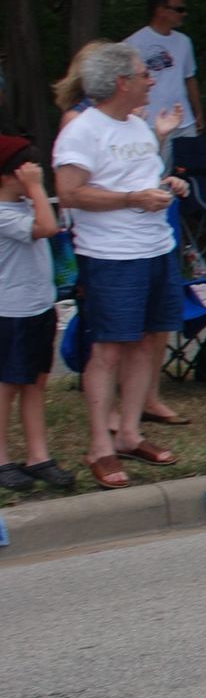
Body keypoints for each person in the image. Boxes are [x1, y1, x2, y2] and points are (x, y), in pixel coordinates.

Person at [51, 43, 192, 489]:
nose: (152, 80)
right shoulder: (82, 131)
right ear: (121, 82)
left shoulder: (136, 125)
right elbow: (70, 192)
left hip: (156, 248)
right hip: (111, 256)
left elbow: (136, 180)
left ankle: (130, 433)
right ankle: (100, 447)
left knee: (147, 343)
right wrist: (133, 198)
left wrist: (165, 184)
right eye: (143, 74)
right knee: (108, 350)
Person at [0, 136, 72, 493]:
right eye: (25, 169)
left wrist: (33, 192)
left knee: (35, 382)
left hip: (39, 307)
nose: (34, 173)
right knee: (7, 386)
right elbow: (47, 228)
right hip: (9, 312)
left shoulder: (27, 204)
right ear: (7, 177)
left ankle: (38, 455)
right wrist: (37, 189)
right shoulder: (3, 213)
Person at [125, 0, 202, 140]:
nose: (184, 14)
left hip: (184, 121)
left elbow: (190, 78)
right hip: (151, 121)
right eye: (179, 9)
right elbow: (126, 83)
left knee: (190, 155)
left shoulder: (184, 42)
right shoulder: (134, 42)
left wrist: (198, 112)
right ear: (161, 11)